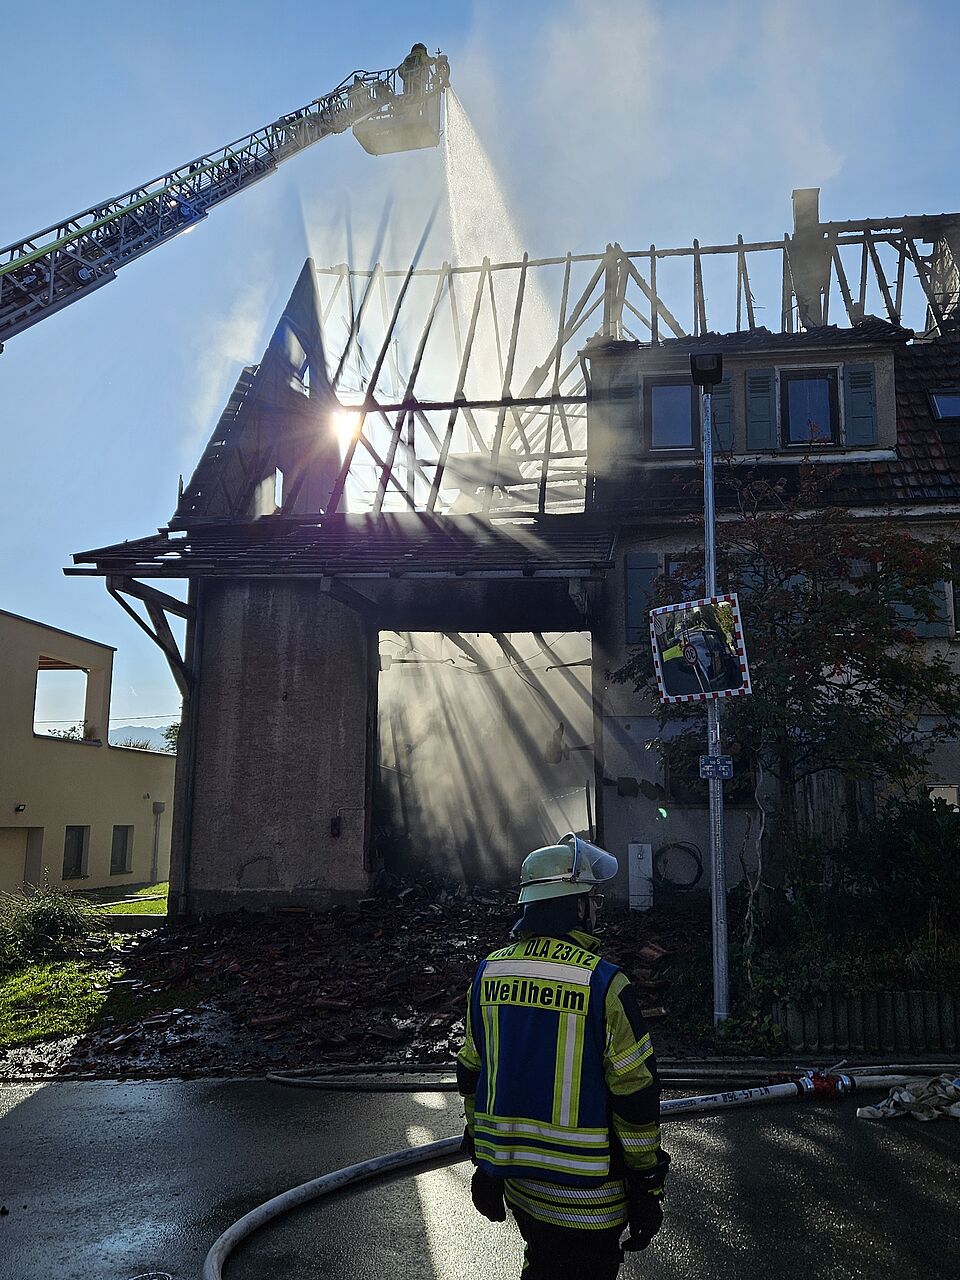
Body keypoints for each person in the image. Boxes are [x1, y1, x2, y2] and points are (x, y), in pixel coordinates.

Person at [457, 834, 669, 1279]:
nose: (595, 909)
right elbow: (636, 1099)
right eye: (591, 898)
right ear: (576, 907)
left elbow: (472, 1074)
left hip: (521, 1190)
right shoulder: (604, 984)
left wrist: (483, 1160)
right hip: (590, 1202)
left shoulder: (489, 973)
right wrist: (648, 1184)